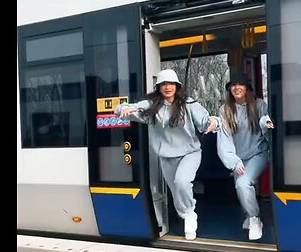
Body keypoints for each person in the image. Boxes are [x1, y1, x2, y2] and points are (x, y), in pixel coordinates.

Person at [117, 69, 219, 241]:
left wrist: (214, 122)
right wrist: (125, 109)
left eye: (171, 84)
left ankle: (190, 213)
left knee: (182, 181)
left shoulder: (188, 104)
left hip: (190, 152)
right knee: (175, 190)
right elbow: (129, 109)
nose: (167, 87)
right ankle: (185, 213)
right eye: (163, 84)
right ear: (159, 87)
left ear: (176, 86)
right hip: (166, 156)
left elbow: (206, 121)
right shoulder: (153, 106)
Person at [216, 72, 275, 241]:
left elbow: (265, 120)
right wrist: (233, 161)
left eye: (240, 84)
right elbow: (224, 138)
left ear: (247, 88)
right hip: (238, 157)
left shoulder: (259, 105)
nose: (236, 88)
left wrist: (266, 123)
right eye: (233, 85)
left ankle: (255, 219)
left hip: (258, 153)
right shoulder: (225, 110)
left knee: (242, 183)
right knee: (243, 188)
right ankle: (249, 216)